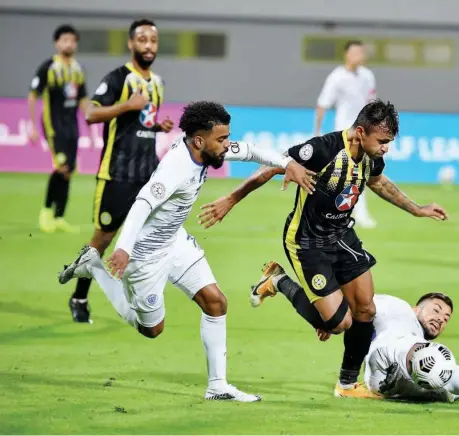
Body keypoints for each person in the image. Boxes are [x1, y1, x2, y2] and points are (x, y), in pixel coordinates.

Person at [57, 101, 315, 401]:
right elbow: (142, 204)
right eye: (221, 140)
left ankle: (217, 386)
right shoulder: (175, 167)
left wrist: (289, 164)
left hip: (175, 241)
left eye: (226, 137)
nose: (226, 145)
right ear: (198, 140)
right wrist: (124, 249)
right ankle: (94, 267)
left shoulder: (209, 147)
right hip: (144, 255)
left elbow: (252, 149)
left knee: (216, 303)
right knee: (151, 329)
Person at [199, 100, 448, 398]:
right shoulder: (322, 150)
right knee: (339, 322)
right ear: (360, 132)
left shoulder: (370, 157)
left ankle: (347, 385)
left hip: (342, 236)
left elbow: (379, 184)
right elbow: (273, 166)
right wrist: (232, 198)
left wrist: (417, 209)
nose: (385, 148)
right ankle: (277, 280)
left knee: (366, 308)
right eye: (382, 142)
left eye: (389, 142)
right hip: (307, 242)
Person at [248, 273, 459, 410]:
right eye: (436, 310)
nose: (441, 318)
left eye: (446, 318)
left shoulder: (419, 336)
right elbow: (362, 306)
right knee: (427, 365)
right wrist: (332, 320)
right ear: (417, 308)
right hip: (388, 355)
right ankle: (280, 279)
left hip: (391, 368)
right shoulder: (399, 308)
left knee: (442, 389)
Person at [69, 18, 174, 323]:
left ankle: (144, 299)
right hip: (117, 175)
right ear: (131, 44)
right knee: (102, 239)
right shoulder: (117, 78)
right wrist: (126, 106)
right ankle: (79, 296)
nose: (148, 46)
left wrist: (156, 126)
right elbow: (90, 113)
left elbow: (140, 124)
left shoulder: (158, 82)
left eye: (153, 40)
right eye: (142, 40)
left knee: (151, 238)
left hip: (148, 175)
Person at [29, 24, 89, 234]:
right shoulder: (48, 68)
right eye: (65, 40)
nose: (69, 44)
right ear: (57, 43)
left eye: (72, 40)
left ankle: (59, 217)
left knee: (69, 172)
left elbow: (82, 99)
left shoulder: (78, 69)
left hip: (72, 128)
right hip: (53, 127)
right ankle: (45, 213)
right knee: (60, 167)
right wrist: (33, 127)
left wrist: (89, 125)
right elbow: (33, 96)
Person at [315, 40, 378, 229]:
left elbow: (372, 102)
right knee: (342, 173)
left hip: (364, 131)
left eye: (362, 52)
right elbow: (322, 104)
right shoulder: (336, 77)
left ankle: (359, 212)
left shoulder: (367, 76)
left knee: (360, 171)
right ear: (347, 55)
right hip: (344, 131)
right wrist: (317, 132)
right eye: (356, 52)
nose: (360, 56)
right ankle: (331, 211)